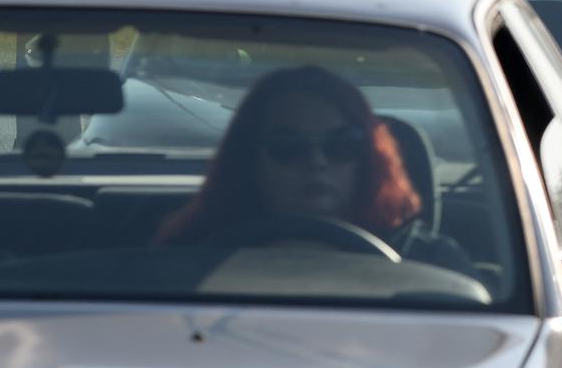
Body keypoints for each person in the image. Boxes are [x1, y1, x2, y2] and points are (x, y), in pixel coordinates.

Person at [156, 65, 469, 269]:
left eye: (341, 145)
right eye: (289, 148)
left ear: (369, 157)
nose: (317, 162)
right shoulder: (185, 258)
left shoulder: (430, 263)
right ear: (249, 161)